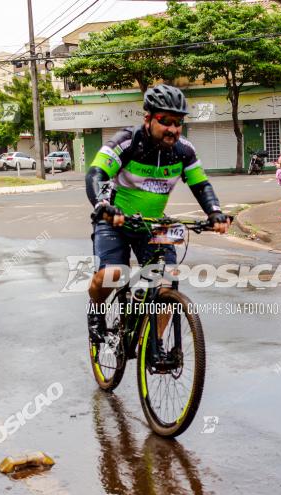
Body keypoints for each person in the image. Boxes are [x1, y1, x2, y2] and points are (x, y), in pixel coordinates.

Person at [84, 84, 229, 341]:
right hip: (116, 219)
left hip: (153, 225)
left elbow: (201, 185)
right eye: (165, 121)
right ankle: (95, 311)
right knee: (111, 274)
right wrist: (103, 206)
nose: (173, 129)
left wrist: (214, 212)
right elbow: (96, 173)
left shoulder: (184, 151)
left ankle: (154, 346)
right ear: (148, 118)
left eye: (178, 122)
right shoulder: (127, 141)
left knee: (167, 282)